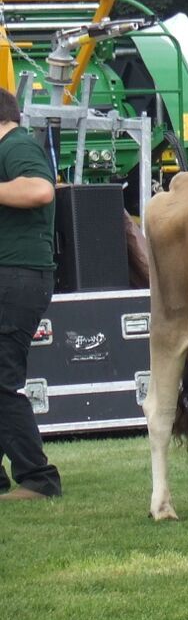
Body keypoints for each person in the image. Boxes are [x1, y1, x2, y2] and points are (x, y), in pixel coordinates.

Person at [0, 87, 62, 501]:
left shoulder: (16, 144)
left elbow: (41, 189)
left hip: (17, 277)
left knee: (1, 382)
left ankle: (38, 478)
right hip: (16, 275)